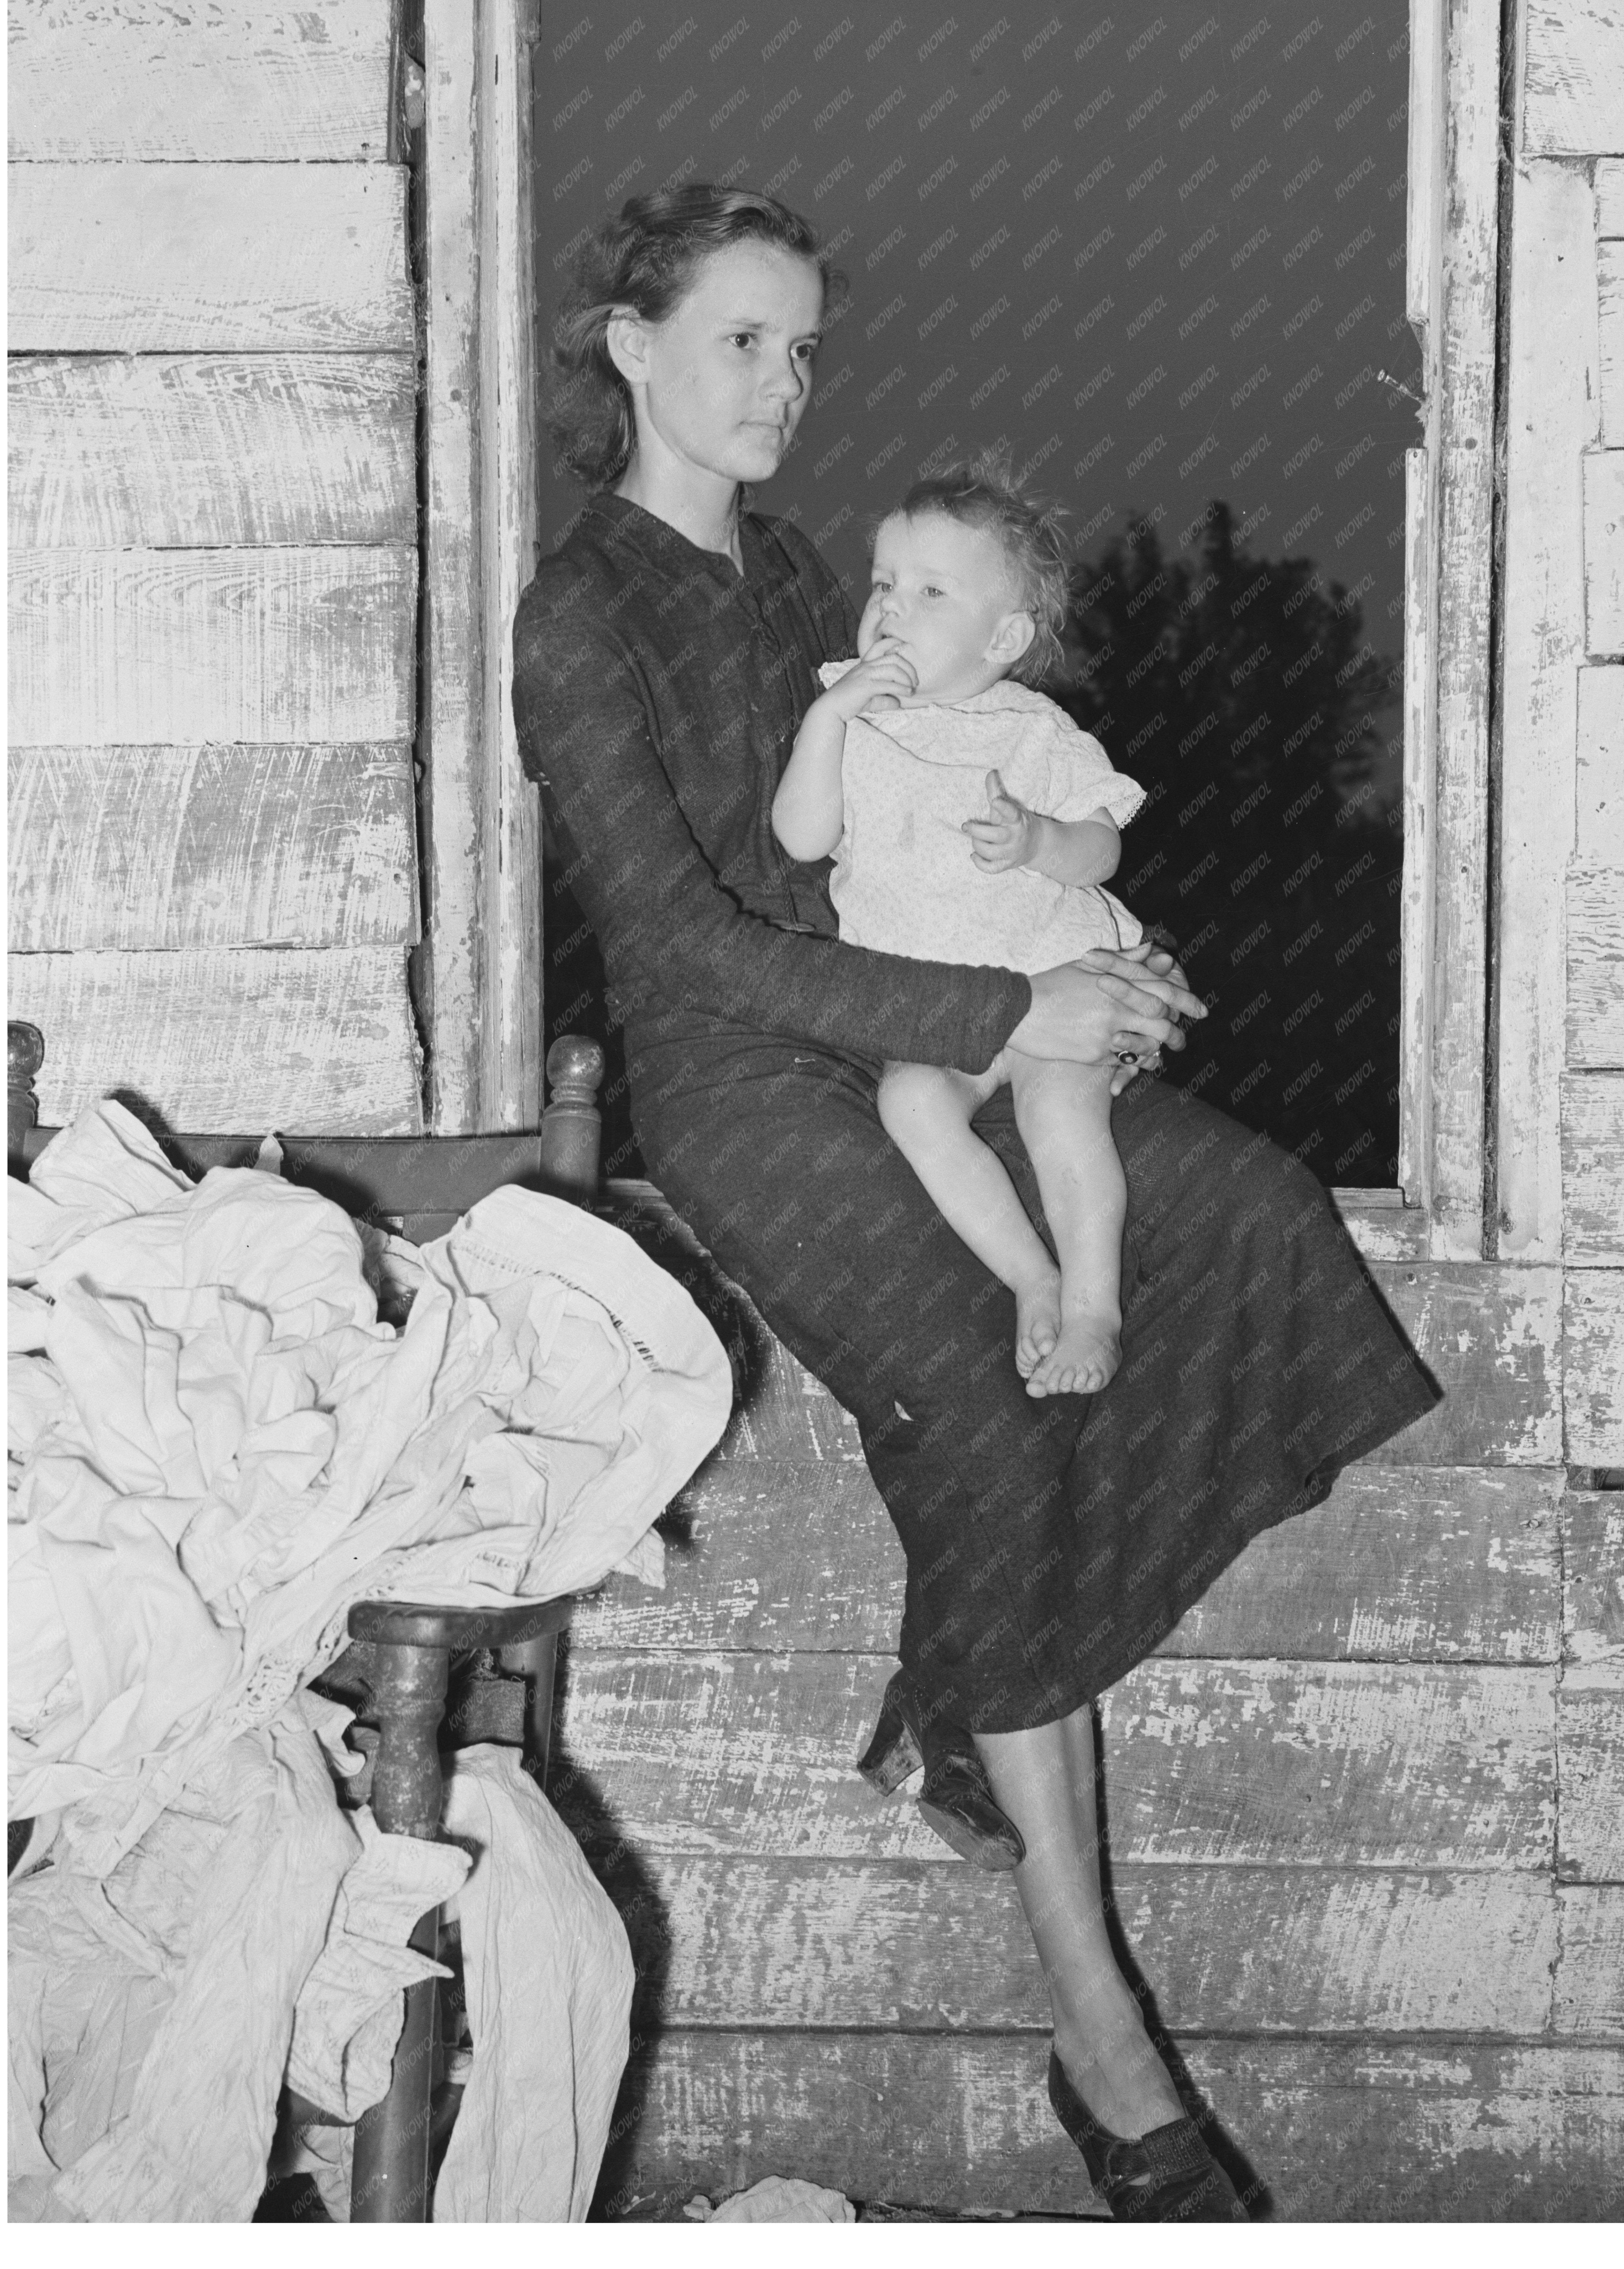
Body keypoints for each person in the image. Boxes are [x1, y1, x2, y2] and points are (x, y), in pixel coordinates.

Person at [513, 183, 1437, 2222]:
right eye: (744, 339)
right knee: (983, 1386)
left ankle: (967, 1678)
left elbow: (952, 797)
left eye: (807, 347)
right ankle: (1102, 2037)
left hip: (915, 1020)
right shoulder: (578, 615)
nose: (785, 384)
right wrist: (1009, 994)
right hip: (754, 1081)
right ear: (629, 348)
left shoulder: (786, 578)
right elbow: (687, 947)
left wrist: (1090, 958)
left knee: (1232, 1204)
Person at [771, 453, 1158, 1400]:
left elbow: (1101, 851)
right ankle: (1031, 1276)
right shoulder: (851, 716)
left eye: (931, 591)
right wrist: (826, 721)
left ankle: (1092, 1305)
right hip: (938, 1015)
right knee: (909, 1103)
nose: (891, 608)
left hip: (1051, 981)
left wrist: (1038, 838)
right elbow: (800, 835)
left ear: (1004, 636)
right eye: (883, 583)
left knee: (1061, 1116)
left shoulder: (1032, 733)